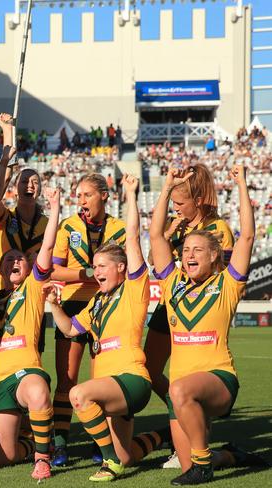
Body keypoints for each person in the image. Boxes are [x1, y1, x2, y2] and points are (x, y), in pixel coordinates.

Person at [51, 175, 168, 482]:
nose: (96, 272)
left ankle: (110, 461)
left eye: (101, 266)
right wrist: (52, 304)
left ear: (120, 268)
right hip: (114, 389)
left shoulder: (134, 289)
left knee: (78, 394)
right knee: (130, 455)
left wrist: (131, 193)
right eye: (95, 265)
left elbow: (131, 236)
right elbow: (70, 328)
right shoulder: (97, 303)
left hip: (131, 379)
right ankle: (162, 436)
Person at [150, 165, 259, 485]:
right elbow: (155, 235)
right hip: (180, 395)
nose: (189, 255)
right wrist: (167, 187)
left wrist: (241, 184)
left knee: (179, 390)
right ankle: (229, 455)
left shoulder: (227, 285)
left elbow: (248, 236)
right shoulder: (173, 284)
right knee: (189, 463)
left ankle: (204, 463)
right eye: (185, 250)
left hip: (219, 382)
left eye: (198, 250)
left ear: (215, 256)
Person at [143, 164, 235, 468]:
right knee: (148, 368)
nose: (176, 209)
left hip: (201, 309)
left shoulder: (217, 229)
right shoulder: (173, 224)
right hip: (171, 303)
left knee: (195, 373)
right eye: (174, 204)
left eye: (181, 203)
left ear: (198, 199)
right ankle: (182, 412)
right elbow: (153, 255)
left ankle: (193, 427)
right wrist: (168, 233)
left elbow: (223, 275)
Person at [0, 187, 61, 481]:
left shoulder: (33, 289)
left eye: (20, 260)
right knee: (3, 458)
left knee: (37, 391)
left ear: (28, 267)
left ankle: (43, 458)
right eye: (8, 260)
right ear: (1, 269)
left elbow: (47, 249)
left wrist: (56, 207)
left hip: (24, 372)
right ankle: (31, 441)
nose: (14, 263)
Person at [50, 173, 126, 466]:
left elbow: (128, 268)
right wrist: (87, 274)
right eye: (78, 195)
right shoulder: (67, 226)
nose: (81, 201)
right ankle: (60, 445)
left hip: (108, 309)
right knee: (66, 380)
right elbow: (54, 271)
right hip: (71, 306)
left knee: (102, 381)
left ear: (104, 196)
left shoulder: (119, 229)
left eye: (87, 195)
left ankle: (101, 444)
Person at [0, 113, 47, 297]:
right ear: (14, 188)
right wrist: (8, 131)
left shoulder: (47, 224)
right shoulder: (5, 218)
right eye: (24, 181)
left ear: (40, 190)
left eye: (35, 182)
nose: (29, 185)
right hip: (2, 292)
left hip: (33, 294)